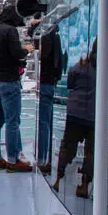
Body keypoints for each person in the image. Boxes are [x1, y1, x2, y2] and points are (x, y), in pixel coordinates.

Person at [0, 7, 34, 172]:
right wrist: (26, 50)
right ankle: (13, 160)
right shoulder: (10, 30)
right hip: (8, 81)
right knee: (12, 122)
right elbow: (16, 53)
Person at [54, 42, 97, 199]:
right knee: (91, 152)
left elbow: (70, 82)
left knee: (68, 146)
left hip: (75, 113)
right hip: (95, 115)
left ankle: (59, 178)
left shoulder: (81, 66)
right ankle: (84, 184)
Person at [36, 25, 66, 175]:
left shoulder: (47, 36)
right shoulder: (57, 37)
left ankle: (42, 159)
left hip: (45, 82)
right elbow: (60, 59)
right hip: (52, 82)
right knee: (48, 122)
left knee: (43, 123)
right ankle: (46, 157)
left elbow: (43, 55)